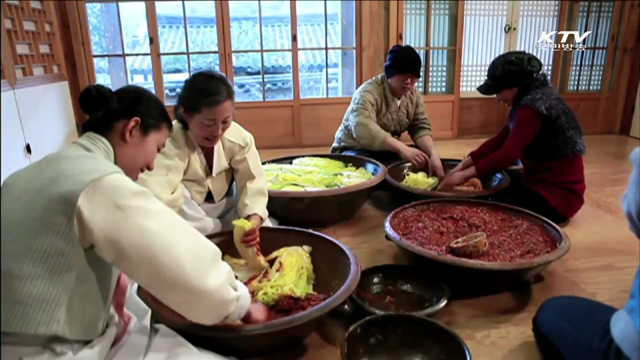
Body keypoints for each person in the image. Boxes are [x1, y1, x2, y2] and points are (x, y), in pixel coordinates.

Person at [1, 84, 268, 359]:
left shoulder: (44, 168)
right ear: (132, 130)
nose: (153, 164)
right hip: (44, 345)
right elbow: (166, 249)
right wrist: (241, 305)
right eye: (156, 147)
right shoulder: (98, 179)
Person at [440, 51, 586, 224]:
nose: (497, 98)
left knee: (483, 205)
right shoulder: (533, 98)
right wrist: (461, 166)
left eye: (499, 91)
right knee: (496, 180)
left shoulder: (532, 108)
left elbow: (508, 155)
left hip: (556, 199)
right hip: (539, 183)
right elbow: (499, 141)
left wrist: (463, 176)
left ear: (513, 86)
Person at [532, 147, 639, 360]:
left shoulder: (530, 112)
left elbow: (634, 211)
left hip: (629, 350)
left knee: (552, 313)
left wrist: (469, 168)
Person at [137, 70, 273, 238]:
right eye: (208, 123)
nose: (218, 131)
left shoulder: (239, 139)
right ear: (185, 114)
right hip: (191, 217)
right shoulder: (170, 141)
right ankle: (215, 236)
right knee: (179, 199)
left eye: (225, 121)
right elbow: (158, 192)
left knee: (264, 225)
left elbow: (252, 181)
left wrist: (253, 219)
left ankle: (224, 234)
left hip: (225, 208)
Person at [330, 44, 444, 177]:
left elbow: (420, 127)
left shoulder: (414, 96)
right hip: (353, 149)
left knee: (422, 160)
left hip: (385, 149)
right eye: (403, 75)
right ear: (390, 73)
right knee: (370, 171)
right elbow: (363, 127)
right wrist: (402, 149)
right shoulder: (368, 93)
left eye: (413, 77)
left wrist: (433, 153)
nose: (408, 81)